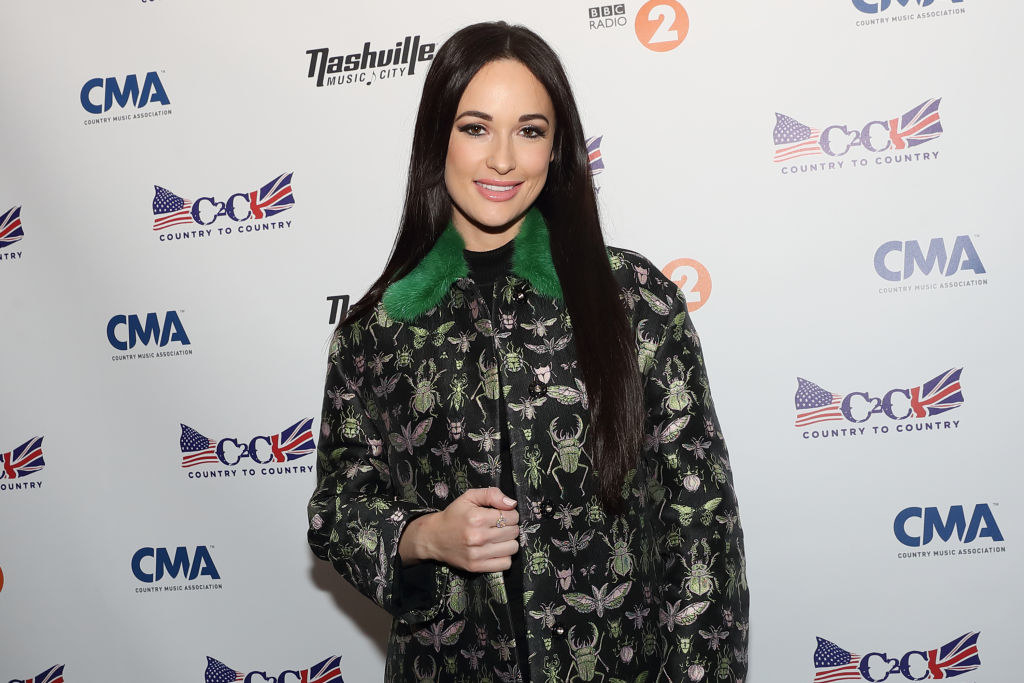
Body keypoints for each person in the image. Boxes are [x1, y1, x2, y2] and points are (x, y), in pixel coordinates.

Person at [308, 21, 748, 682]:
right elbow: (337, 506)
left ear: (557, 147)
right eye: (476, 127)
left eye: (530, 130)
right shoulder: (378, 329)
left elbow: (700, 534)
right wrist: (423, 535)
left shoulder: (636, 301)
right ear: (438, 139)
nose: (504, 160)